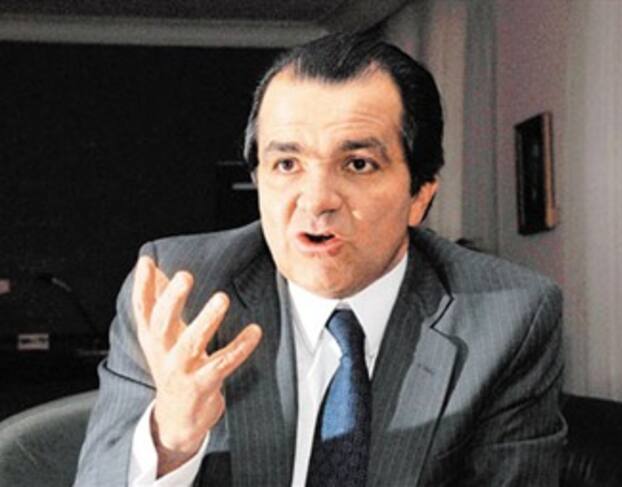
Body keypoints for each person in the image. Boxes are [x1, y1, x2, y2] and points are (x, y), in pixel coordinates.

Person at [75, 33, 566, 486]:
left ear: (420, 195)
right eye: (287, 164)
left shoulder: (508, 319)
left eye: (358, 164)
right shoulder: (179, 292)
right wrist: (171, 440)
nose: (316, 201)